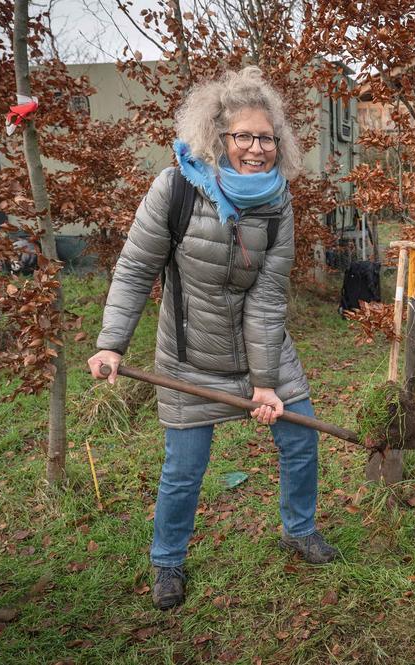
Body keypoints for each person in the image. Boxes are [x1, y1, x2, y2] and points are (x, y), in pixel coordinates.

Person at [87, 66, 337, 611]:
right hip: (186, 355)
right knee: (184, 468)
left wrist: (266, 383)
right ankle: (167, 561)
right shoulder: (174, 187)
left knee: (300, 439)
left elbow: (268, 297)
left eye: (266, 137)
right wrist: (111, 343)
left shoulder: (277, 201)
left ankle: (298, 530)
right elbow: (134, 269)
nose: (256, 148)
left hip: (260, 349)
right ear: (217, 137)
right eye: (243, 136)